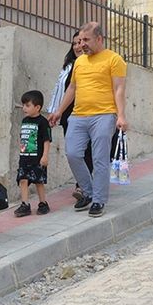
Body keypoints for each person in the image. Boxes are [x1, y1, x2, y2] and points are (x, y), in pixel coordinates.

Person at [48, 22, 128, 217]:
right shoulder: (80, 62)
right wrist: (59, 111)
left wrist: (121, 115)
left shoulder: (114, 59)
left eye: (86, 40)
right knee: (73, 153)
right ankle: (89, 191)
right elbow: (72, 89)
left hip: (104, 115)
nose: (81, 44)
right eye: (80, 40)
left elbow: (119, 89)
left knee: (100, 158)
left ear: (99, 39)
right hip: (78, 115)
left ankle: (98, 200)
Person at [47, 31, 93, 201]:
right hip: (69, 115)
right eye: (74, 43)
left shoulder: (90, 64)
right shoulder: (68, 66)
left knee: (86, 151)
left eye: (81, 42)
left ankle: (82, 187)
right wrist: (56, 111)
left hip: (87, 113)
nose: (77, 46)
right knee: (73, 152)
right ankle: (84, 182)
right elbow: (62, 90)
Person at [14, 90, 52, 217]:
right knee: (23, 180)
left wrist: (45, 156)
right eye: (23, 105)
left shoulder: (43, 122)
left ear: (37, 107)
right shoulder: (25, 121)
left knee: (38, 181)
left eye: (27, 105)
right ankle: (25, 204)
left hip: (37, 158)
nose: (24, 108)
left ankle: (43, 203)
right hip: (25, 158)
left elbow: (47, 140)